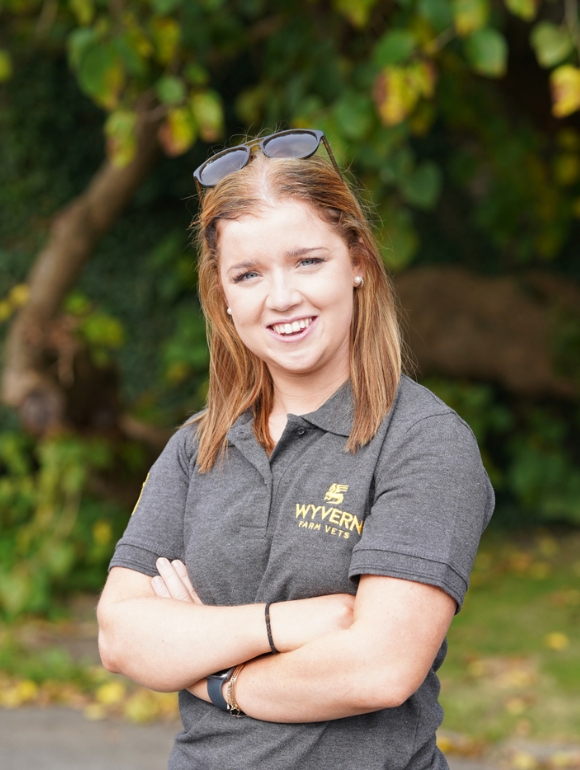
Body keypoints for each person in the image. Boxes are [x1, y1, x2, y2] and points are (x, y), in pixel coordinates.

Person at [97, 128, 494, 770]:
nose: (281, 298)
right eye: (248, 274)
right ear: (223, 297)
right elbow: (120, 637)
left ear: (358, 261)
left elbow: (380, 667)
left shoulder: (424, 442)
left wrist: (216, 676)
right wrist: (286, 625)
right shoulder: (195, 447)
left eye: (307, 261)